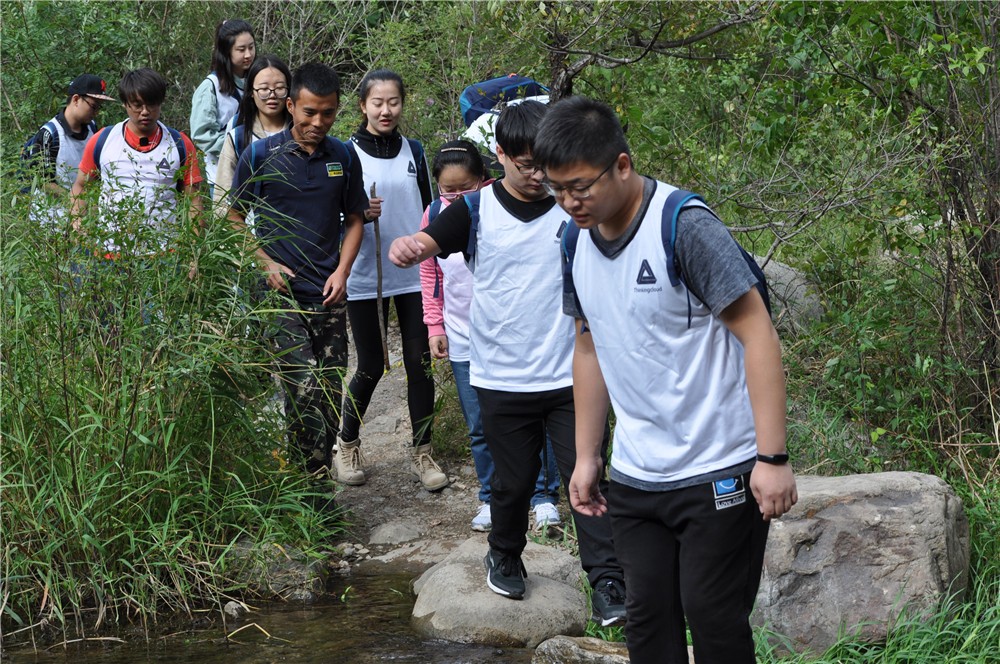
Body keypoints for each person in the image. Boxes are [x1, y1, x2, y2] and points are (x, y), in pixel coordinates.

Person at [533, 96, 799, 664]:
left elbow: (758, 333)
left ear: (622, 165)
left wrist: (772, 458)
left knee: (714, 618)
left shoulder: (683, 226)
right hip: (636, 474)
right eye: (556, 189)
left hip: (717, 465)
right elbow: (588, 344)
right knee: (647, 625)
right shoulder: (574, 239)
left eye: (580, 186)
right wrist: (586, 456)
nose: (569, 202)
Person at [388, 101, 626, 626]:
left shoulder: (573, 207)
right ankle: (505, 555)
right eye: (526, 164)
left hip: (572, 376)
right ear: (500, 156)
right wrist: (411, 245)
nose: (540, 175)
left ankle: (608, 581)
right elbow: (432, 238)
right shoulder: (476, 209)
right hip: (502, 377)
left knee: (589, 481)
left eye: (546, 163)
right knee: (512, 484)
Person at [227, 62, 366, 483]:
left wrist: (343, 272)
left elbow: (356, 219)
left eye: (327, 113)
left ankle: (316, 487)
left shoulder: (342, 155)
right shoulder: (261, 155)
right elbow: (233, 217)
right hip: (280, 296)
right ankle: (310, 494)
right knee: (303, 390)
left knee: (327, 393)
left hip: (328, 293)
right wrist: (265, 263)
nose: (318, 122)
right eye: (309, 113)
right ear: (291, 106)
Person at [418, 140, 562, 532]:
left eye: (466, 187)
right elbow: (430, 274)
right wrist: (435, 326)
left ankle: (543, 496)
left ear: (484, 179)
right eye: (449, 190)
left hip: (511, 335)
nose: (457, 196)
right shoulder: (434, 215)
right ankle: (490, 497)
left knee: (536, 419)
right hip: (463, 336)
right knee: (479, 423)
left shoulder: (492, 211)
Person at [335, 69, 445, 492]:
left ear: (403, 104)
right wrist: (359, 213)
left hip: (414, 271)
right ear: (362, 105)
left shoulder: (414, 150)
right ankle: (347, 444)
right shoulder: (345, 153)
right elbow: (334, 215)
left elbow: (430, 211)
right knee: (371, 365)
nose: (386, 110)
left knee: (419, 363)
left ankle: (422, 450)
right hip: (365, 274)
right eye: (377, 102)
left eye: (393, 102)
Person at [70, 68, 202, 252]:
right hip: (110, 256)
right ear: (125, 104)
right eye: (137, 105)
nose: (145, 112)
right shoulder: (104, 140)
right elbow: (81, 186)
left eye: (152, 104)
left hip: (164, 257)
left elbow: (193, 199)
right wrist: (79, 228)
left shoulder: (179, 143)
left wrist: (193, 251)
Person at [22, 74, 115, 225]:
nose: (96, 112)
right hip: (51, 220)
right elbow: (42, 180)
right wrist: (75, 200)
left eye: (99, 107)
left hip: (83, 217)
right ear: (76, 99)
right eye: (93, 106)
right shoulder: (49, 133)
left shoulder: (92, 129)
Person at [211, 53, 292, 217]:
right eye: (263, 89)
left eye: (280, 88)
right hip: (248, 237)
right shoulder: (238, 138)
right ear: (251, 92)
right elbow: (222, 200)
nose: (272, 94)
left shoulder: (301, 134)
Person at [190, 18, 256, 189]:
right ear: (227, 52)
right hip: (224, 178)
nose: (248, 54)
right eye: (241, 49)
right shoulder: (210, 87)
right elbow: (202, 135)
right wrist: (238, 147)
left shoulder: (258, 80)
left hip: (258, 175)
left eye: (251, 47)